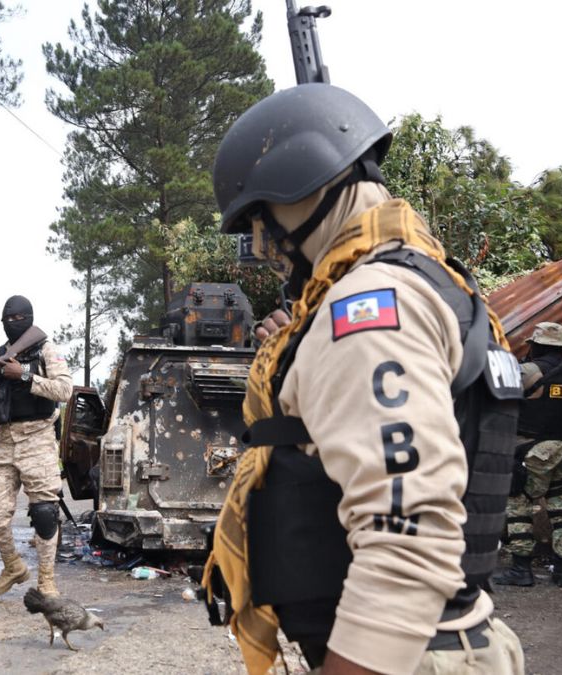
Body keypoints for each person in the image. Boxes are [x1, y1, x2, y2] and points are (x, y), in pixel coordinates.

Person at [200, 84, 525, 674]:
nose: (262, 246)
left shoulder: (370, 305)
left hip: (403, 655)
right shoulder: (432, 282)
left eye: (258, 220)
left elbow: (406, 544)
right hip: (433, 644)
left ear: (298, 187)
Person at [0, 295, 73, 597]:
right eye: (8, 319)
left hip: (38, 437)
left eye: (18, 318)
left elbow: (65, 390)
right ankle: (13, 566)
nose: (13, 323)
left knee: (44, 513)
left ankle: (46, 581)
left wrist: (26, 375)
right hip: (4, 440)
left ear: (29, 318)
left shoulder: (46, 349)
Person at [494, 322, 562, 588]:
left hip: (533, 451)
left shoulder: (527, 371)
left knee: (518, 504)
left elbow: (497, 401)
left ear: (537, 345)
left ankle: (521, 570)